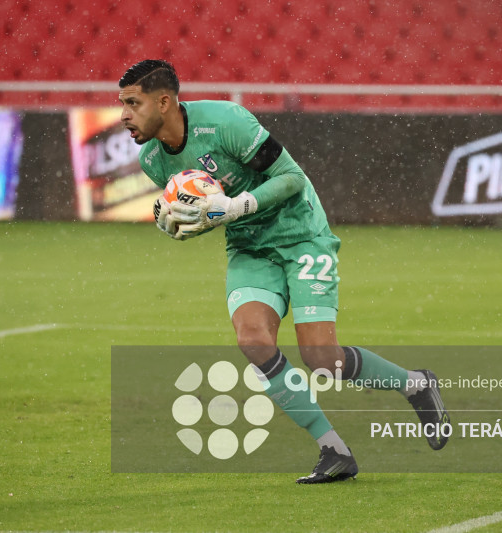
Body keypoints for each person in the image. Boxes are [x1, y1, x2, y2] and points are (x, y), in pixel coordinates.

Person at [119, 59, 450, 484]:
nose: (124, 115)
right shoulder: (151, 160)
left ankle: (416, 386)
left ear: (164, 102)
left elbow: (291, 178)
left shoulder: (225, 121)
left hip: (301, 234)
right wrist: (183, 223)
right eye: (122, 104)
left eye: (133, 102)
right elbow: (204, 212)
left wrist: (239, 206)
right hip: (249, 247)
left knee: (321, 359)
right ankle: (333, 449)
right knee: (253, 341)